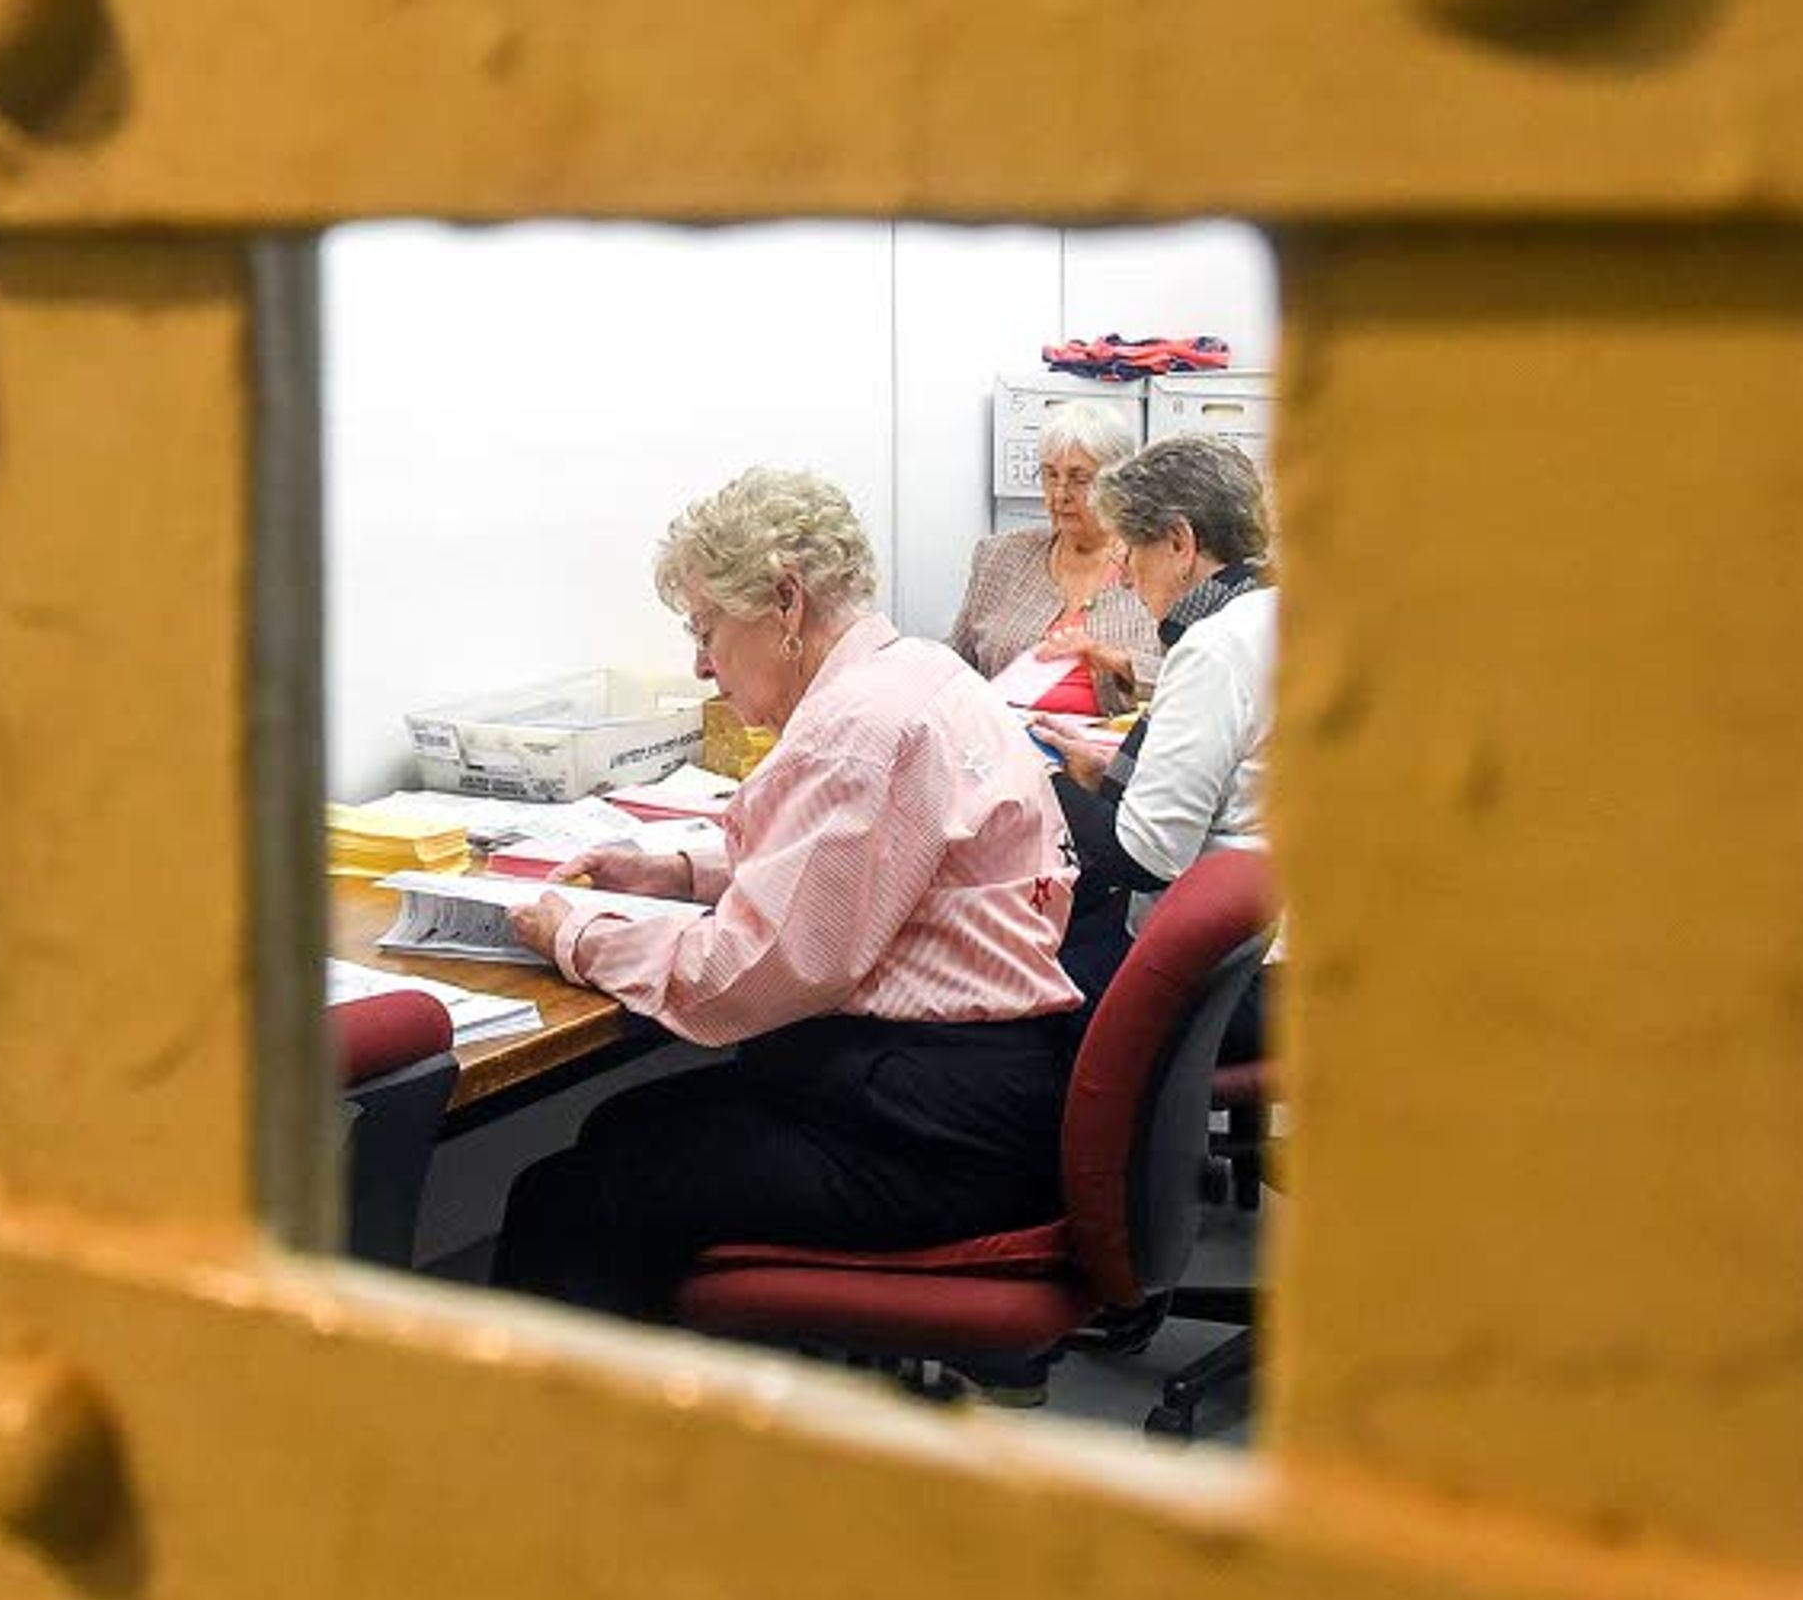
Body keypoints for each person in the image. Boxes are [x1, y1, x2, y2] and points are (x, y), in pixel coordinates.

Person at [491, 469, 1082, 1326]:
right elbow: (869, 867)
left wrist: (578, 934)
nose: (700, 665)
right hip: (988, 1093)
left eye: (706, 631)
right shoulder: (922, 674)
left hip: (925, 1134)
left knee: (566, 1198)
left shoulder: (857, 730)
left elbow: (749, 975)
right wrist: (683, 875)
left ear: (784, 601)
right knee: (622, 1125)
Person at [1034, 437, 1276, 1007]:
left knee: (1025, 989)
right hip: (1293, 950)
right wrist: (1105, 770)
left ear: (1179, 542)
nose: (1123, 578)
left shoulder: (1214, 648)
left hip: (1228, 977)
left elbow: (1146, 857)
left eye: (1131, 555)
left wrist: (1044, 781)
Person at [948, 402, 1162, 715]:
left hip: (1108, 755)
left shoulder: (1156, 566)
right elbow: (959, 659)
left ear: (1118, 483)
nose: (1060, 493)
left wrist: (1113, 659)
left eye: (1079, 478)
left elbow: (1191, 684)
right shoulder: (999, 556)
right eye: (1050, 475)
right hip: (1004, 744)